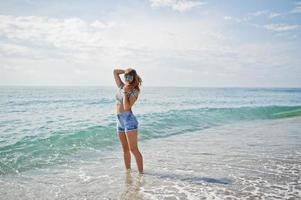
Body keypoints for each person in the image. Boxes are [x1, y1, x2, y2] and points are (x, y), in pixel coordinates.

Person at [113, 68, 143, 174]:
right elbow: (115, 72)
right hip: (119, 121)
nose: (127, 79)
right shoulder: (121, 86)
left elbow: (126, 107)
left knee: (133, 150)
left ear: (133, 78)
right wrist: (125, 71)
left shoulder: (135, 91)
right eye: (126, 77)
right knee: (125, 150)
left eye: (130, 77)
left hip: (129, 120)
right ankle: (128, 174)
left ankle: (141, 175)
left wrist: (125, 93)